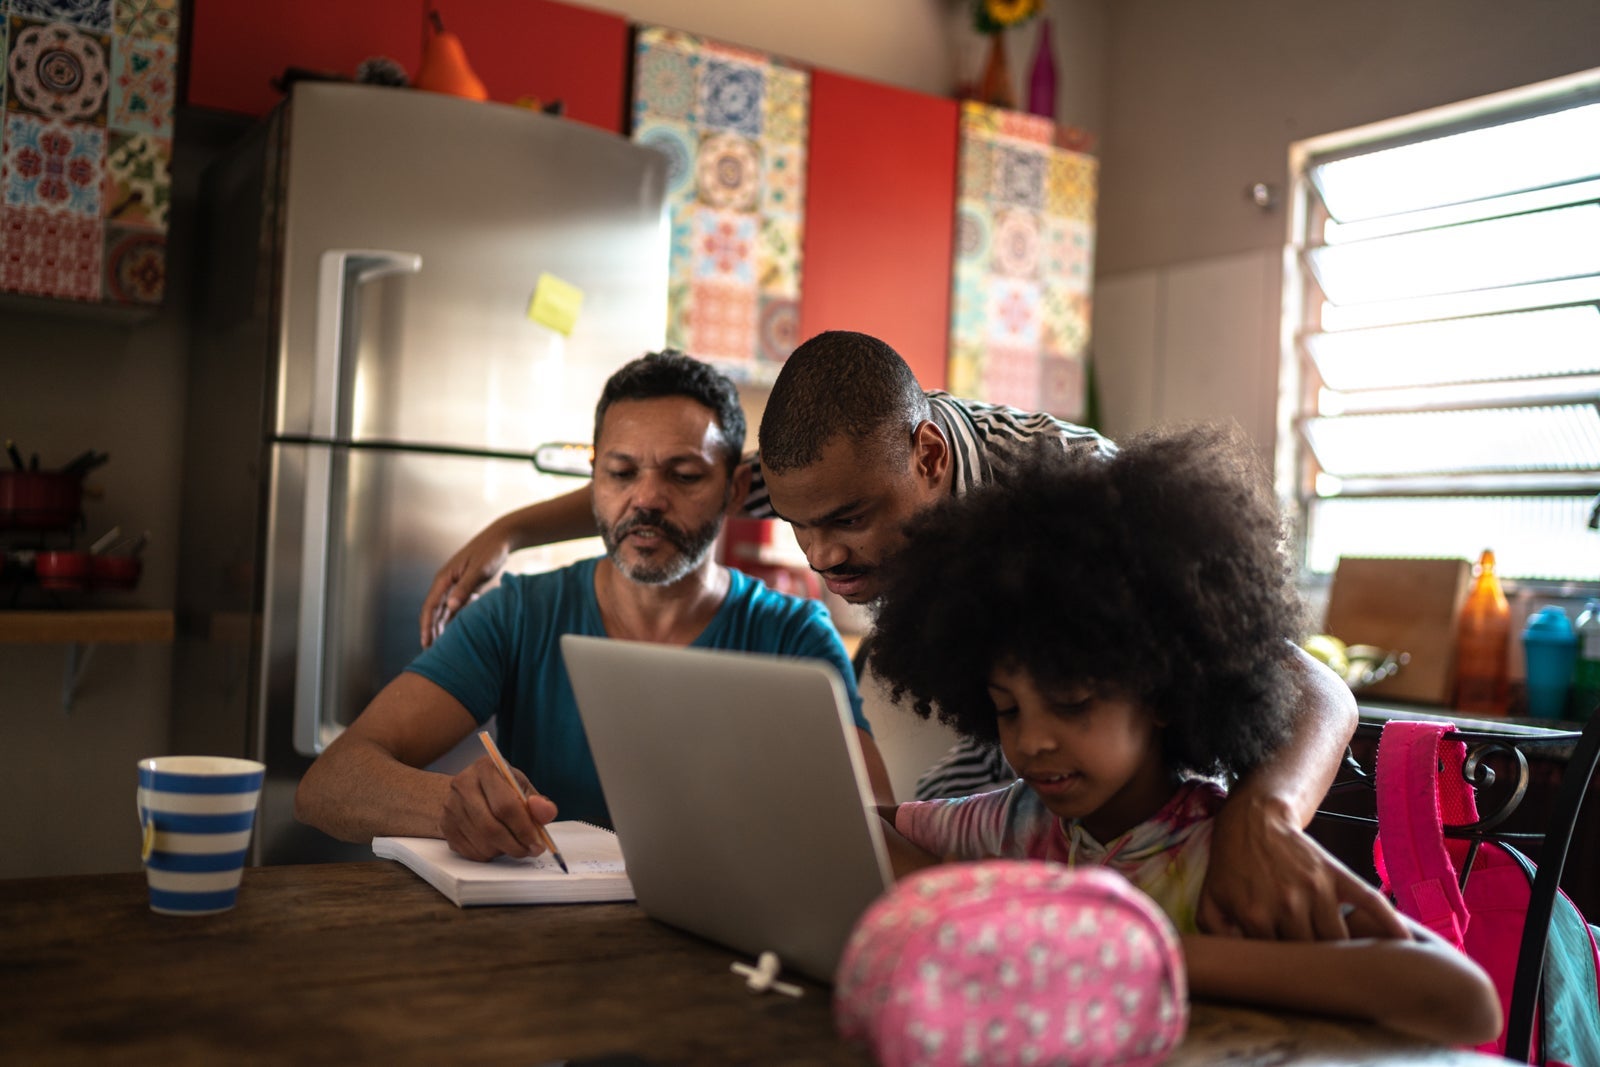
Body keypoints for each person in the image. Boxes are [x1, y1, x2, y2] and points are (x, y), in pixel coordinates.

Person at [417, 330, 1384, 942]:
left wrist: (1263, 819)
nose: (825, 555)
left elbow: (1319, 689)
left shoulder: (1070, 489)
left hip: (1136, 837)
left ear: (925, 455)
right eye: (800, 525)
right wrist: (509, 528)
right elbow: (672, 486)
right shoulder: (821, 468)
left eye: (848, 519)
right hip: (1007, 843)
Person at [862, 425, 1502, 1047]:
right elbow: (860, 826)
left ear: (1164, 694)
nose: (1032, 742)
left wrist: (1131, 952)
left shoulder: (1223, 860)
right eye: (1007, 711)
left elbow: (1464, 1001)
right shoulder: (1016, 823)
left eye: (1073, 704)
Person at [296, 351, 893, 860]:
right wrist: (448, 805)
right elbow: (329, 784)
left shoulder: (791, 636)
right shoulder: (521, 614)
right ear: (593, 482)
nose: (648, 499)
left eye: (684, 475)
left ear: (736, 489)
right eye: (621, 472)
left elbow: (874, 834)